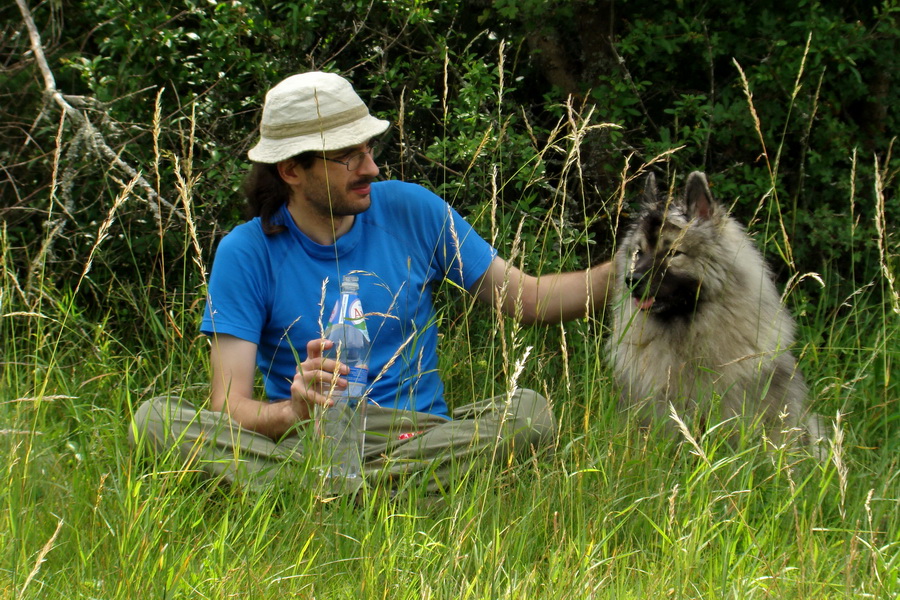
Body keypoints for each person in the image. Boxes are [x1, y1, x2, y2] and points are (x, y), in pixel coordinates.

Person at [130, 71, 613, 496]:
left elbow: (527, 300)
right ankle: (379, 493)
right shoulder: (246, 251)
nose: (371, 168)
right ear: (292, 169)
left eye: (368, 149)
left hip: (418, 437)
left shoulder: (413, 209)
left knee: (530, 414)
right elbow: (227, 406)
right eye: (347, 157)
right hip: (312, 438)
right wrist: (292, 411)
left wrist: (628, 272)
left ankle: (320, 495)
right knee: (153, 420)